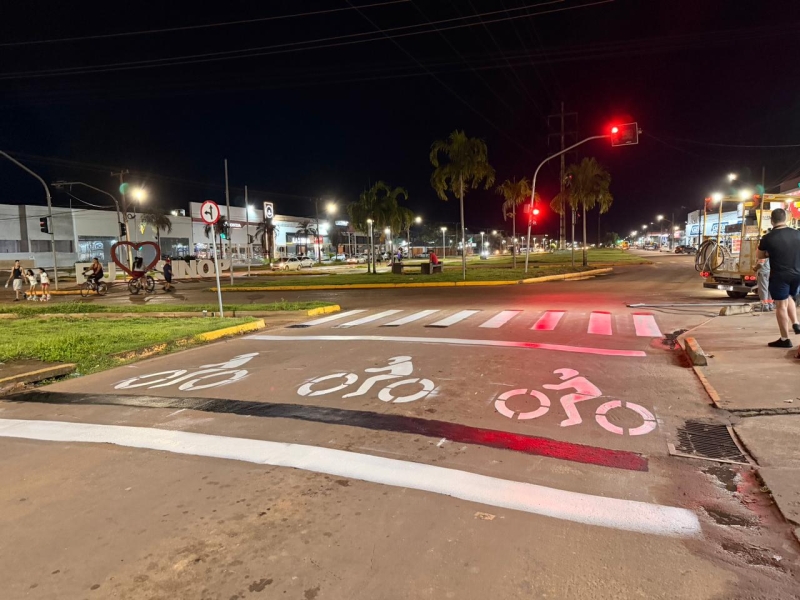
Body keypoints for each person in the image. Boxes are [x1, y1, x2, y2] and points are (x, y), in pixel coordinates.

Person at [757, 208, 800, 348]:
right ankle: (796, 323)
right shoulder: (797, 234)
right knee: (789, 297)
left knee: (781, 305)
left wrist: (770, 253)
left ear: (772, 220)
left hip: (780, 275)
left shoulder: (768, 237)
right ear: (786, 219)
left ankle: (784, 339)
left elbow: (760, 256)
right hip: (797, 274)